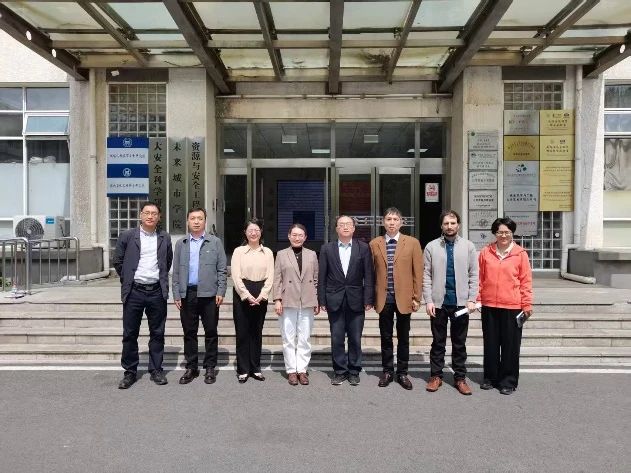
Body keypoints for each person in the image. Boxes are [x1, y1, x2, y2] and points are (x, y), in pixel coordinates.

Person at [113, 201, 173, 389]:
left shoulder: (164, 237)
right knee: (130, 333)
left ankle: (156, 369)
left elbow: (167, 261)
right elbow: (118, 261)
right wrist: (128, 279)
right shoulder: (128, 236)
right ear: (140, 215)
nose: (150, 216)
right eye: (147, 212)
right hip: (134, 291)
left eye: (154, 213)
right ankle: (130, 372)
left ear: (159, 217)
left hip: (156, 291)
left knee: (158, 333)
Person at [423, 210, 478, 395]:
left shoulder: (468, 246)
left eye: (453, 223)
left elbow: (474, 274)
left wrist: (472, 298)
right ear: (441, 226)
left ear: (458, 225)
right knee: (438, 342)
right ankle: (435, 376)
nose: (449, 226)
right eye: (446, 223)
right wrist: (428, 300)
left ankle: (460, 378)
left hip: (461, 303)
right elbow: (426, 275)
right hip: (439, 303)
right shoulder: (431, 247)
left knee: (459, 343)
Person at [369, 207, 423, 390]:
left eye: (395, 219)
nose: (392, 222)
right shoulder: (375, 243)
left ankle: (402, 373)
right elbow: (371, 273)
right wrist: (371, 297)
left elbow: (418, 273)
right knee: (385, 337)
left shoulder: (412, 243)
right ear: (383, 222)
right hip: (383, 298)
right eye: (388, 219)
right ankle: (387, 371)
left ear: (401, 222)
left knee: (403, 337)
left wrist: (417, 297)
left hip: (404, 298)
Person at [478, 217, 533, 395]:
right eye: (500, 232)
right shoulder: (486, 252)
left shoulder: (520, 254)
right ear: (495, 233)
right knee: (491, 344)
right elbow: (479, 278)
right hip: (489, 305)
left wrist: (527, 303)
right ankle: (490, 378)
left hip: (512, 306)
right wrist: (477, 298)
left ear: (512, 233)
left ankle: (508, 381)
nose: (503, 235)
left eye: (507, 232)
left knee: (510, 345)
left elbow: (525, 281)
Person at [172, 207, 227, 385]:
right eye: (193, 218)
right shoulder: (181, 244)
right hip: (187, 294)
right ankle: (191, 367)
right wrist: (176, 293)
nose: (196, 221)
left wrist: (221, 291)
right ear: (188, 221)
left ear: (205, 221)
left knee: (211, 331)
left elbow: (222, 270)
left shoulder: (215, 242)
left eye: (200, 218)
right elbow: (176, 271)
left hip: (210, 294)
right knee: (189, 332)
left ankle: (210, 367)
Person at [318, 216, 374, 386]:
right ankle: (340, 371)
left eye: (348, 224)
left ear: (354, 228)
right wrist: (321, 299)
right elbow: (322, 276)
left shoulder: (363, 248)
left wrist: (368, 298)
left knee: (355, 338)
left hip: (356, 299)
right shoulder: (327, 249)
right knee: (337, 338)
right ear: (336, 229)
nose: (345, 227)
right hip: (334, 299)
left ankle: (354, 370)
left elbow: (369, 275)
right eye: (341, 225)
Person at [272, 224, 319, 386]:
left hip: (307, 300)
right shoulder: (281, 254)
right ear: (289, 236)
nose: (297, 238)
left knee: (304, 338)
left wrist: (316, 299)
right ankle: (291, 370)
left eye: (300, 235)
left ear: (305, 237)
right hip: (288, 300)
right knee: (288, 338)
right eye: (294, 235)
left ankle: (302, 370)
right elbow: (277, 279)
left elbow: (316, 279)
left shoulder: (312, 254)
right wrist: (277, 299)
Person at [231, 218, 274, 383]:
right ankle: (243, 369)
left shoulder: (268, 252)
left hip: (261, 292)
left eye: (256, 230)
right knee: (242, 332)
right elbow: (235, 276)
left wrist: (263, 295)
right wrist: (246, 295)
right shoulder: (239, 251)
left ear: (261, 232)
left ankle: (255, 368)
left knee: (256, 332)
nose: (253, 233)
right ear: (245, 232)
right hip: (242, 292)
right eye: (250, 230)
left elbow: (271, 276)